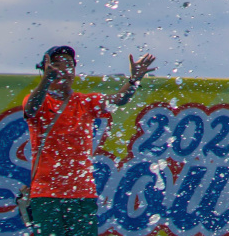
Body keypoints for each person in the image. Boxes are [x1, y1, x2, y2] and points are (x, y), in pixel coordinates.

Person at [21, 46, 156, 236]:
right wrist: (46, 81)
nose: (64, 71)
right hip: (46, 194)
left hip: (82, 194)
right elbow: (31, 109)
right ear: (45, 70)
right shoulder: (40, 101)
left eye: (69, 65)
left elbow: (118, 99)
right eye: (57, 65)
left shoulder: (84, 102)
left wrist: (134, 80)